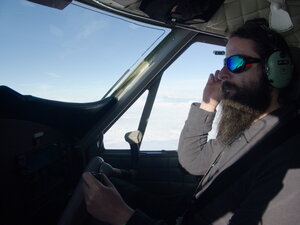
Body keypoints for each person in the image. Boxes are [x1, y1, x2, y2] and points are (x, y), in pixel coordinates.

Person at [82, 18, 300, 225]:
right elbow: (193, 161)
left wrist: (124, 218)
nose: (223, 73)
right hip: (187, 213)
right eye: (224, 63)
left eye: (236, 63)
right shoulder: (248, 127)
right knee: (98, 187)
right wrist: (208, 104)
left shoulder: (290, 162)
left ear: (276, 71)